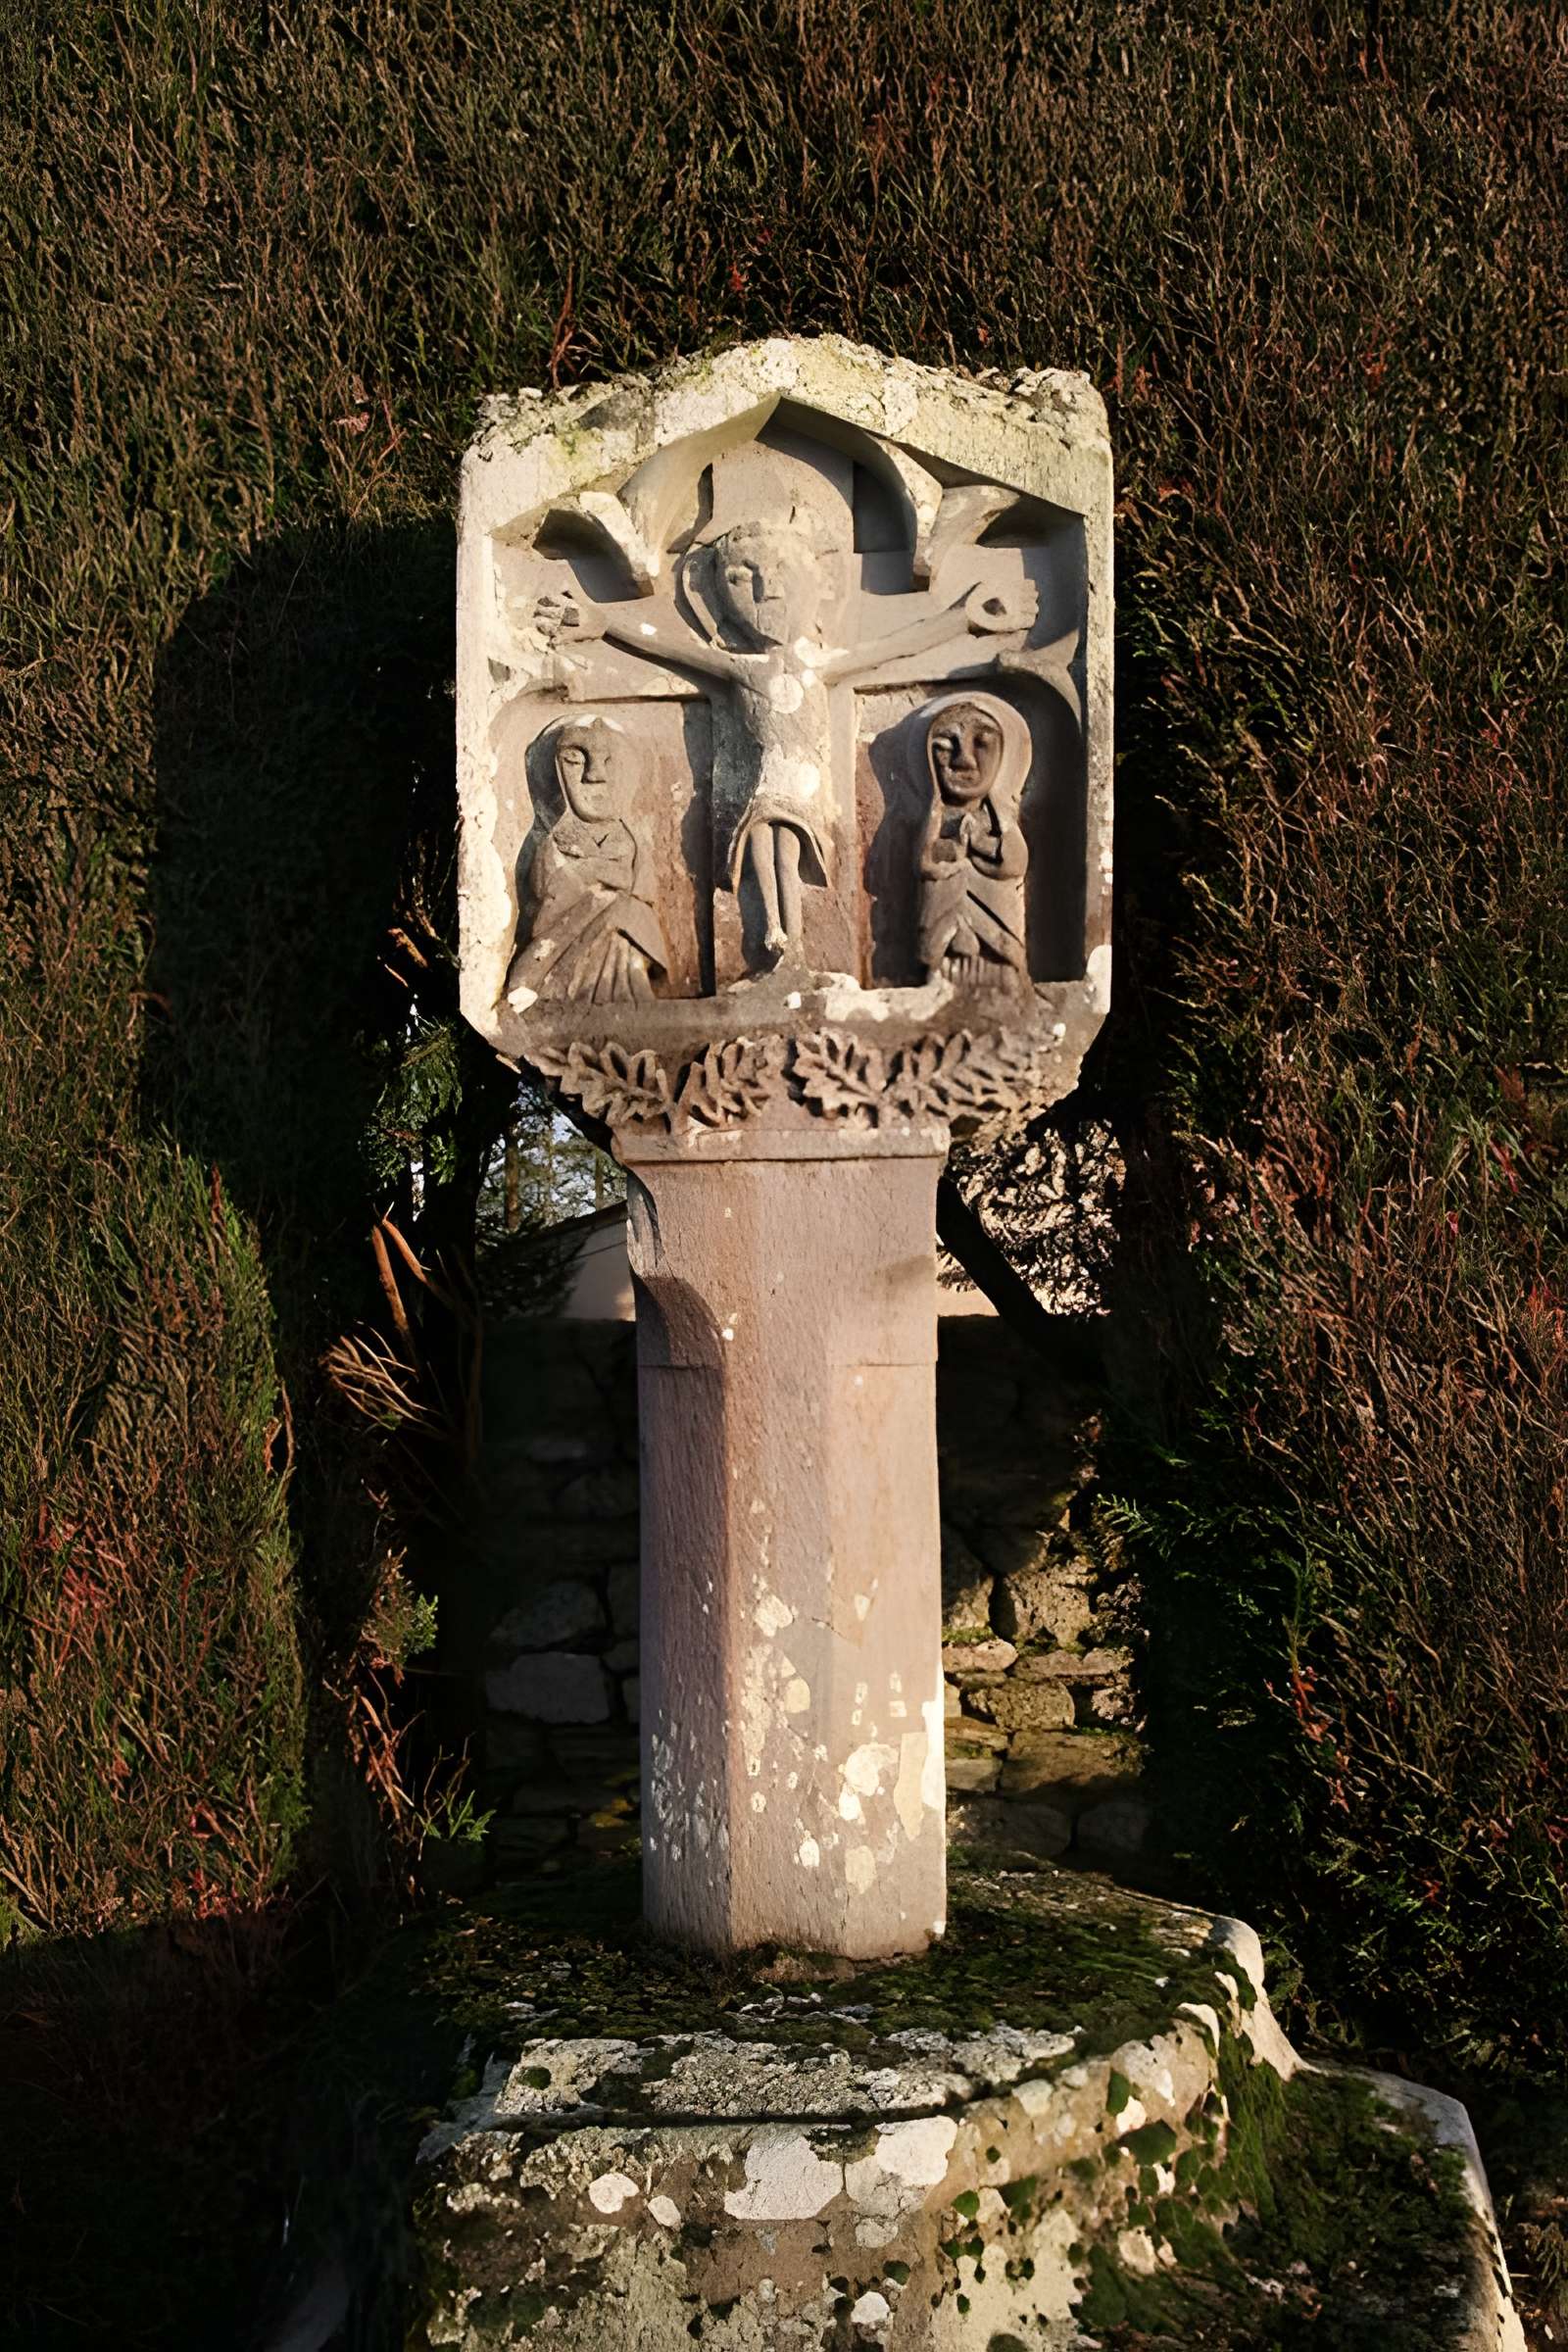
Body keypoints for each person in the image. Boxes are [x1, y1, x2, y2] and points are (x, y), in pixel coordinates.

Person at [530, 508, 1035, 966]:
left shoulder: (818, 666)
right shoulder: (741, 670)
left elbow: (893, 646)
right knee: (759, 848)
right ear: (719, 602)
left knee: (787, 853)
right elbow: (672, 650)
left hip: (802, 788)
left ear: (817, 584)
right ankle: (772, 927)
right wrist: (602, 624)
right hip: (763, 784)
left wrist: (962, 617)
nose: (765, 589)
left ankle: (790, 933)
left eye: (780, 572)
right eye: (739, 576)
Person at [505, 715, 668, 1005]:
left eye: (610, 762)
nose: (594, 776)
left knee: (625, 915)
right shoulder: (553, 839)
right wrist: (599, 878)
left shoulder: (629, 838)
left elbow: (640, 888)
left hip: (621, 936)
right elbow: (548, 890)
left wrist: (590, 872)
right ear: (558, 775)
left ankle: (629, 993)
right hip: (566, 938)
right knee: (611, 908)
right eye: (575, 761)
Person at [917, 689, 1032, 989]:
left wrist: (977, 846)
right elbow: (925, 862)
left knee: (1001, 978)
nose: (964, 761)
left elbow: (1014, 863)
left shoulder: (999, 817)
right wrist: (953, 856)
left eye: (982, 744)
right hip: (946, 928)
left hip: (997, 922)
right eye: (945, 746)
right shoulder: (936, 816)